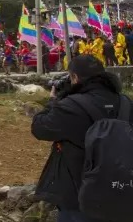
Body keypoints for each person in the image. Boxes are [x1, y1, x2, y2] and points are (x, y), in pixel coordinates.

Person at [31, 55, 133, 221]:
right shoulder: (126, 103)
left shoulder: (71, 106)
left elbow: (39, 128)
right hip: (121, 193)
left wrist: (52, 102)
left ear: (75, 77)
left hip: (79, 197)